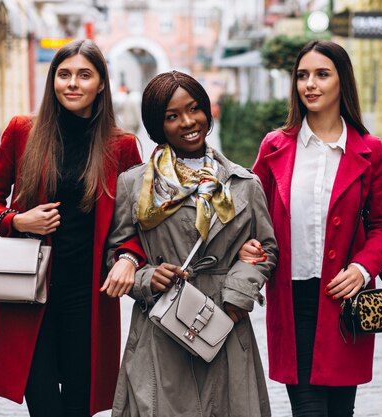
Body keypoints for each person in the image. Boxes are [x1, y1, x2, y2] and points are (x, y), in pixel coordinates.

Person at [0, 39, 146, 417]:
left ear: (101, 84)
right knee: (44, 404)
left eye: (84, 75)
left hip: (89, 297)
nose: (72, 83)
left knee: (79, 404)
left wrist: (130, 258)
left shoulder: (122, 147)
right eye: (63, 74)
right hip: (29, 293)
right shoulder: (23, 132)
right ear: (52, 80)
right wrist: (18, 220)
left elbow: (138, 223)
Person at [105, 70, 278, 417]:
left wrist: (237, 295)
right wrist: (146, 278)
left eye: (195, 109)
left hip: (224, 326)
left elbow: (266, 249)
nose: (188, 122)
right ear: (158, 124)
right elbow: (116, 253)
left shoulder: (243, 183)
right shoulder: (134, 185)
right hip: (161, 327)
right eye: (172, 116)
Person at [240, 40, 382, 416]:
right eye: (302, 76)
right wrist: (249, 246)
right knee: (309, 410)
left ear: (342, 81)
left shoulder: (368, 150)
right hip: (292, 301)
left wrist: (363, 268)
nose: (310, 84)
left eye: (322, 75)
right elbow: (251, 214)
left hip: (345, 303)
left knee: (341, 411)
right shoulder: (275, 146)